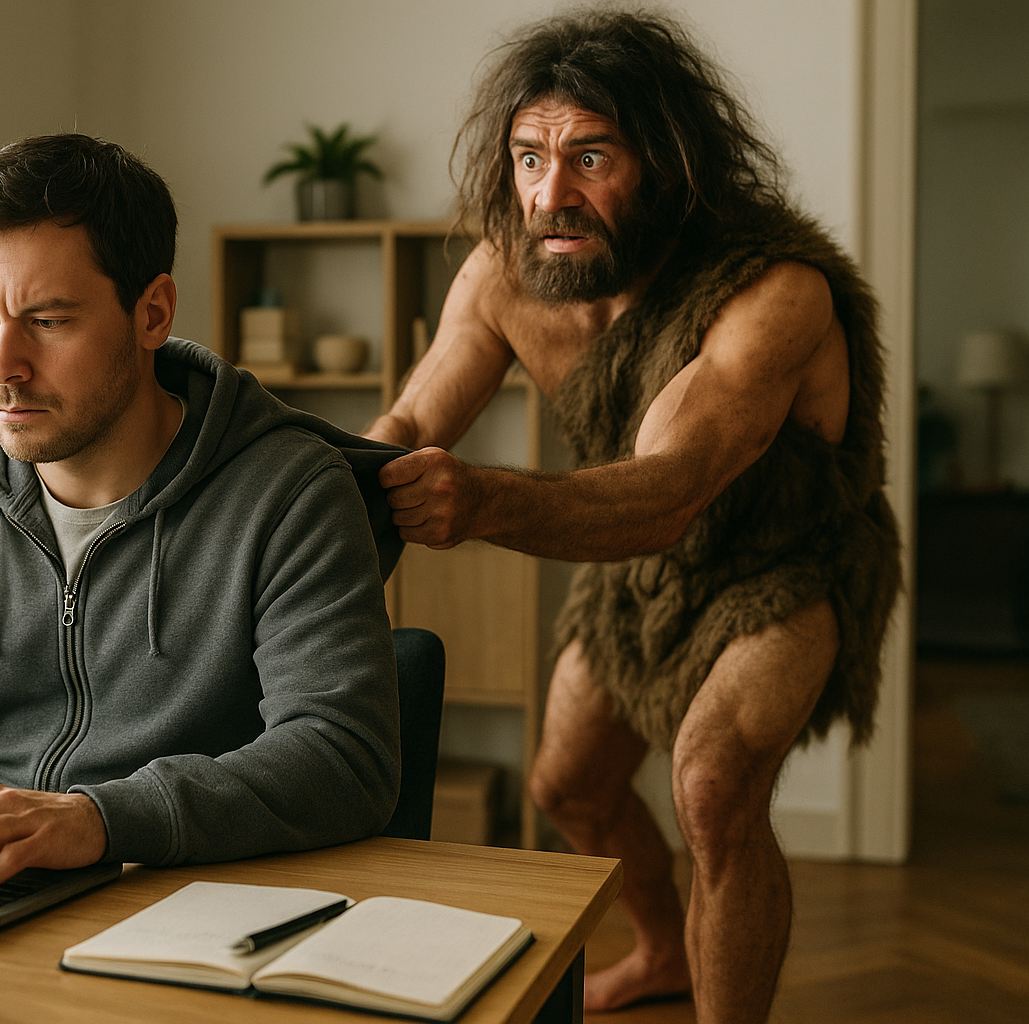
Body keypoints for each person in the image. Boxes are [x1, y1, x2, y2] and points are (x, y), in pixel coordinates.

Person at [362, 12, 899, 1024]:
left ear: (668, 160)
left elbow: (668, 489)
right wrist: (296, 492)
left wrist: (479, 498)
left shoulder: (772, 292)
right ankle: (664, 952)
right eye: (529, 156)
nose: (549, 194)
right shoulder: (506, 270)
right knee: (567, 785)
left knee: (712, 787)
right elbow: (406, 420)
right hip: (636, 571)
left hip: (780, 563)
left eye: (590, 156)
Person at [0, 133, 405, 902]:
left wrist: (97, 817)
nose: (2, 368)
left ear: (152, 314)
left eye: (47, 322)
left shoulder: (289, 492)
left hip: (195, 897)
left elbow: (345, 759)